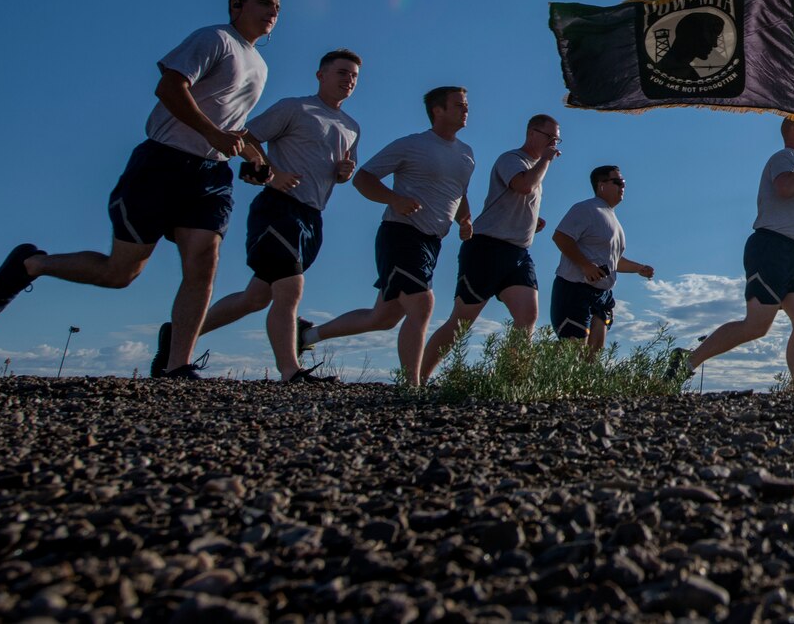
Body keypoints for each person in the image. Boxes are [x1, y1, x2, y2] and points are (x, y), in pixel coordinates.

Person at [0, 0, 280, 379]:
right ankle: (33, 263)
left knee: (204, 261)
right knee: (120, 274)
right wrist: (212, 132)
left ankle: (177, 366)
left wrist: (254, 157)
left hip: (210, 177)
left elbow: (231, 126)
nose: (272, 12)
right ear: (236, 6)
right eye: (263, 3)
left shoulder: (260, 66)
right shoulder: (214, 39)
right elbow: (169, 87)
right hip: (161, 164)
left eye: (277, 7)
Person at [156, 49, 362, 383]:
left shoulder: (351, 126)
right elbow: (247, 136)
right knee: (290, 289)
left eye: (353, 76)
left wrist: (344, 172)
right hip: (279, 208)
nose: (348, 80)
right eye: (341, 72)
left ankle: (176, 335)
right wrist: (273, 173)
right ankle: (290, 371)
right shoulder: (295, 107)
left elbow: (341, 172)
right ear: (321, 75)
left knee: (255, 298)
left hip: (313, 216)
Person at [299, 86, 474, 387]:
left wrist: (465, 219)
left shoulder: (466, 154)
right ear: (438, 110)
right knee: (422, 304)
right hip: (401, 234)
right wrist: (394, 199)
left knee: (383, 317)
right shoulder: (411, 145)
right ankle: (412, 387)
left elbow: (459, 193)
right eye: (459, 105)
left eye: (466, 105)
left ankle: (305, 335)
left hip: (432, 242)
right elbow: (364, 178)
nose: (466, 110)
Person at [679, 117, 794, 381]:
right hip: (770, 247)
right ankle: (688, 360)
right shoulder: (784, 158)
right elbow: (784, 188)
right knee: (756, 326)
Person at [418, 114, 561, 380]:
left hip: (518, 252)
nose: (553, 143)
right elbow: (524, 185)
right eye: (549, 137)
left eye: (557, 139)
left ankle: (511, 379)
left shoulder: (535, 165)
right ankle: (418, 379)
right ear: (532, 133)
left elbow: (521, 198)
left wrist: (530, 221)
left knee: (527, 315)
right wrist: (546, 159)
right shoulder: (512, 159)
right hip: (486, 248)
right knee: (461, 322)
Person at [549, 164, 655, 359]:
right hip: (575, 289)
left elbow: (614, 262)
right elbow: (561, 237)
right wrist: (585, 265)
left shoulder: (614, 221)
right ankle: (535, 382)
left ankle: (580, 389)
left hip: (602, 294)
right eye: (618, 182)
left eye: (623, 183)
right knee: (571, 352)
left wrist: (639, 268)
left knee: (593, 353)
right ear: (601, 185)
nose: (623, 186)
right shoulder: (586, 208)